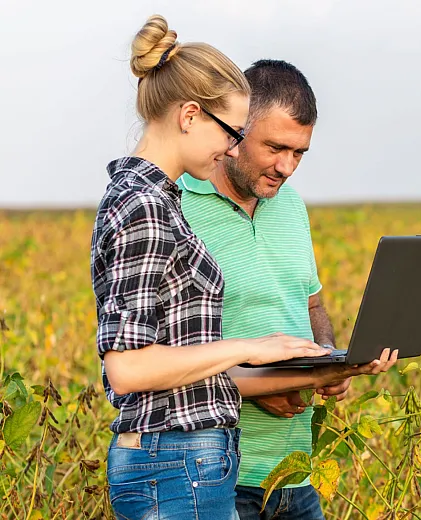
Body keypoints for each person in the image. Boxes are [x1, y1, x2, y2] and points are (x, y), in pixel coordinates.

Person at [90, 20, 328, 520]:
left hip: (191, 458)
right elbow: (127, 367)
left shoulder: (155, 198)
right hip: (173, 462)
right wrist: (250, 348)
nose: (231, 147)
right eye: (231, 132)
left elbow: (181, 364)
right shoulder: (145, 206)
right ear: (190, 115)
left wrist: (315, 365)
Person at [178, 60, 398, 520]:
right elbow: (155, 357)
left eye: (299, 153)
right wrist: (257, 387)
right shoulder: (174, 206)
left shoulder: (291, 205)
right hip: (212, 473)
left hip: (294, 475)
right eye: (275, 147)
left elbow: (311, 301)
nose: (287, 167)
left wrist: (333, 357)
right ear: (235, 130)